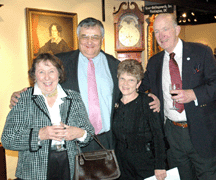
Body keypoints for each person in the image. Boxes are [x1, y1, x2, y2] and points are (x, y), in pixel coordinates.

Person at [9, 17, 160, 153]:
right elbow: (45, 82)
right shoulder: (61, 62)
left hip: (108, 140)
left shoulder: (115, 65)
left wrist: (150, 98)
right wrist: (22, 94)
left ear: (102, 38)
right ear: (78, 37)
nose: (89, 42)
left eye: (95, 37)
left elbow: (129, 91)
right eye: (84, 37)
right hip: (72, 141)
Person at [139, 13, 216, 180]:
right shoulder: (154, 61)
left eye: (165, 29)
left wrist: (193, 94)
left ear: (177, 29)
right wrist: (151, 96)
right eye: (157, 31)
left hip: (201, 131)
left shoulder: (201, 52)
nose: (161, 35)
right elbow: (141, 88)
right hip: (172, 134)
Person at [1, 53, 94, 180]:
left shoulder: (74, 97)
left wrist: (78, 133)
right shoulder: (23, 99)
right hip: (33, 171)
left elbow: (89, 134)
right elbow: (7, 139)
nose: (47, 77)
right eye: (41, 72)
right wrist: (40, 135)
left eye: (51, 71)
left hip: (70, 168)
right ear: (34, 75)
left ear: (59, 74)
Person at [113, 59, 167, 180]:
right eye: (122, 78)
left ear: (138, 84)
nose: (125, 84)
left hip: (145, 163)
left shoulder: (148, 103)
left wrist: (160, 165)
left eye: (131, 80)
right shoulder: (114, 103)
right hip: (121, 164)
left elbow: (158, 136)